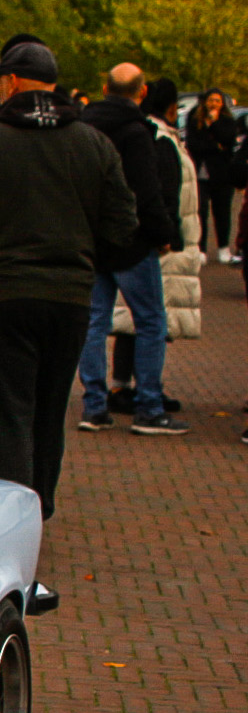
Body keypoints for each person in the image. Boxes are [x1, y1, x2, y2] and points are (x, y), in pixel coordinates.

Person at [0, 38, 138, 523]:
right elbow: (123, 223)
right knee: (49, 407)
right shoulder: (92, 144)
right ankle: (39, 502)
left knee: (6, 410)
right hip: (70, 298)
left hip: (3, 294)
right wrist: (86, 263)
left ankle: (14, 518)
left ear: (10, 83)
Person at [75, 63, 186, 435]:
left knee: (94, 322)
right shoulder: (137, 132)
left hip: (92, 238)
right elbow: (145, 189)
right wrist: (163, 232)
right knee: (151, 321)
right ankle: (149, 407)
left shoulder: (84, 127)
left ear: (105, 87)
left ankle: (94, 405)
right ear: (142, 92)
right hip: (131, 241)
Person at [100, 79, 197, 416]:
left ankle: (110, 395)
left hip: (118, 239)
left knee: (116, 320)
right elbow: (158, 191)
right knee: (149, 320)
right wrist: (165, 234)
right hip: (147, 242)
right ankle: (146, 398)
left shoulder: (128, 131)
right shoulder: (156, 137)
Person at [184, 89, 238, 263]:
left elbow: (228, 141)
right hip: (200, 173)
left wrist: (214, 124)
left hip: (221, 174)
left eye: (217, 101)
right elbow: (193, 144)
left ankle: (223, 247)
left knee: (222, 211)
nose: (214, 104)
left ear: (222, 104)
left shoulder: (227, 121)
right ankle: (201, 249)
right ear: (205, 102)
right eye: (211, 100)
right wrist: (215, 146)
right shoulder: (195, 119)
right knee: (201, 211)